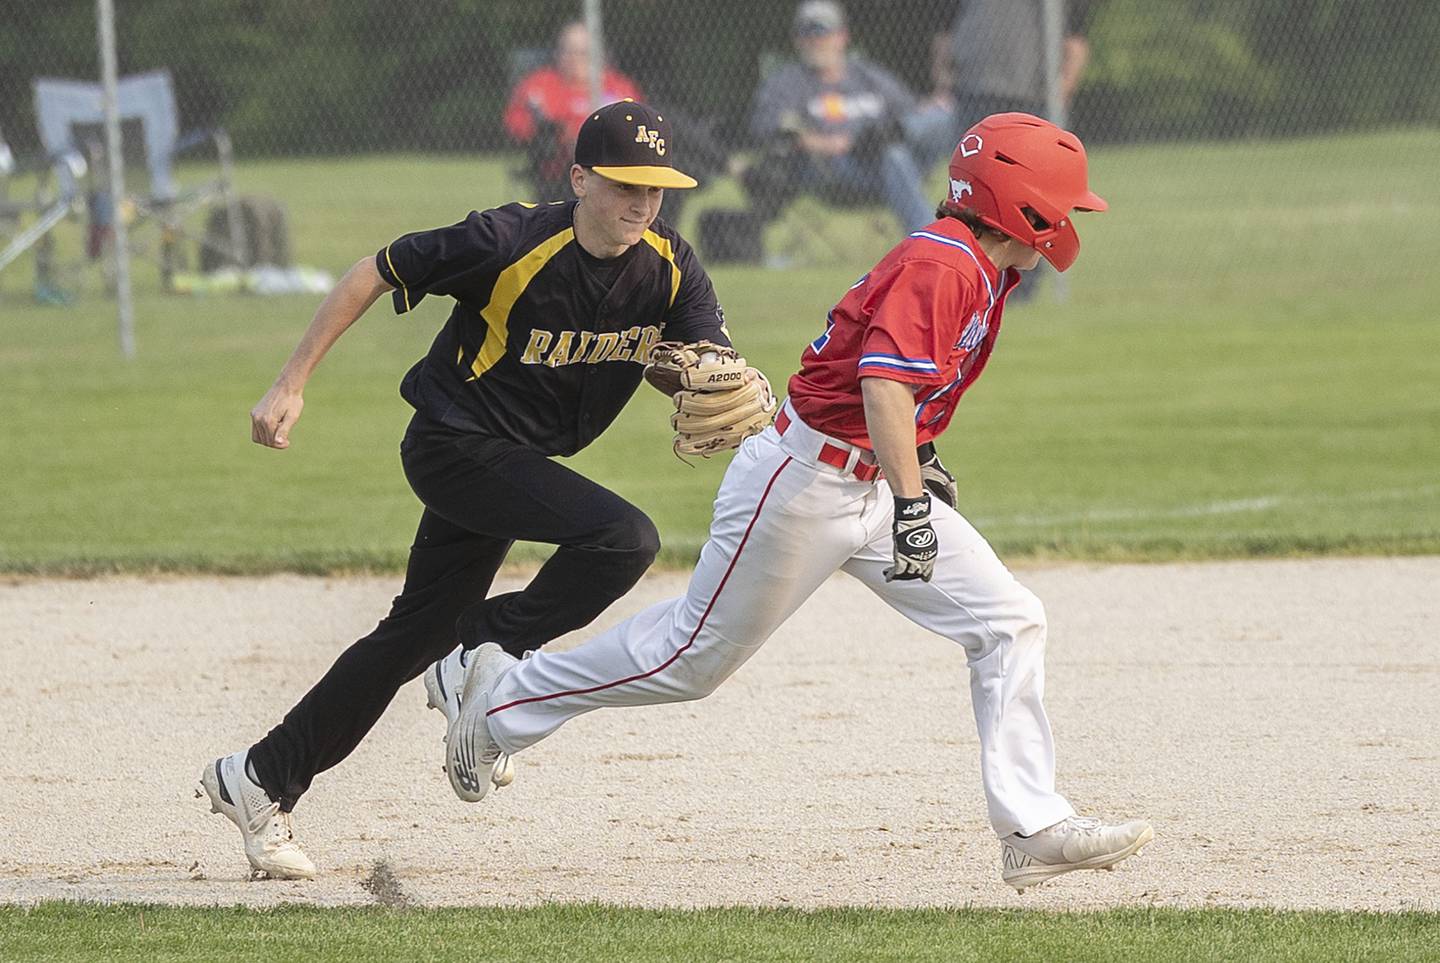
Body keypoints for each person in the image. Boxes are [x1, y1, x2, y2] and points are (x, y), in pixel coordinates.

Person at [444, 113, 1154, 893]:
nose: (1068, 219)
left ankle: (1032, 825)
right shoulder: (945, 264)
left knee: (1008, 619)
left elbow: (899, 393)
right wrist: (915, 507)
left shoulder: (975, 266)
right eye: (1061, 202)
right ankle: (500, 703)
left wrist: (917, 460)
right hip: (803, 485)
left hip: (871, 480)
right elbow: (884, 385)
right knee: (691, 660)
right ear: (1022, 203)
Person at [200, 101, 744, 880]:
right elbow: (377, 269)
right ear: (580, 176)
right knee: (623, 537)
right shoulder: (508, 239)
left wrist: (708, 379)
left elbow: (703, 363)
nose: (642, 203)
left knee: (408, 637)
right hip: (454, 444)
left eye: (657, 189)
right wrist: (291, 382)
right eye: (626, 184)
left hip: (514, 459)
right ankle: (481, 652)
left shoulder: (669, 263)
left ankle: (256, 778)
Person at [743, 0, 937, 234]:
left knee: (940, 118)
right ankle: (929, 241)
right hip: (835, 170)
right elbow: (767, 128)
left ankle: (877, 139)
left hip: (892, 158)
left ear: (842, 36)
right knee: (894, 155)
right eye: (807, 32)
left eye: (823, 31)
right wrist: (823, 143)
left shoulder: (868, 76)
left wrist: (932, 108)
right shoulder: (786, 83)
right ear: (797, 39)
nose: (816, 41)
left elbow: (911, 112)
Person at [503, 21, 644, 204]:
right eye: (568, 51)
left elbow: (639, 124)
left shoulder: (617, 86)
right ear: (557, 53)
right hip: (559, 169)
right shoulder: (540, 84)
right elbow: (515, 122)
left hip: (617, 166)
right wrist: (556, 131)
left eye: (583, 52)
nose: (575, 58)